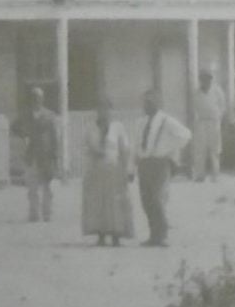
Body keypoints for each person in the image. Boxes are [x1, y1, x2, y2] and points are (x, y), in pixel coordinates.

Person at [136, 89, 191, 247]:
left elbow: (186, 135)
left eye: (150, 102)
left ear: (158, 104)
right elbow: (137, 144)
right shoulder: (141, 122)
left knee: (157, 198)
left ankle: (162, 235)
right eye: (145, 102)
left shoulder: (167, 121)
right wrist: (133, 167)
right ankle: (153, 235)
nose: (146, 105)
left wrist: (169, 149)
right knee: (146, 201)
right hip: (144, 163)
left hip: (160, 163)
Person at [81, 98, 136, 247]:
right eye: (100, 108)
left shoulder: (118, 127)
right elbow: (85, 148)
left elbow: (125, 149)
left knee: (115, 203)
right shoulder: (90, 127)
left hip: (114, 169)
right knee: (98, 202)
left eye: (106, 108)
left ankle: (116, 236)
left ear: (111, 110)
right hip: (96, 170)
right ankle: (101, 235)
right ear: (96, 110)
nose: (103, 111)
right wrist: (93, 154)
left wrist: (128, 169)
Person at [14, 86, 62, 222]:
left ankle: (47, 213)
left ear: (43, 99)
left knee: (48, 187)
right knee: (32, 187)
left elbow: (54, 137)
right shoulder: (26, 115)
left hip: (46, 155)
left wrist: (55, 156)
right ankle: (34, 214)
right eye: (34, 98)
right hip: (31, 154)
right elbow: (14, 127)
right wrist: (24, 135)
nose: (37, 100)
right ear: (31, 99)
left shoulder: (50, 115)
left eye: (39, 98)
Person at [189, 67, 228, 181]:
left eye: (208, 78)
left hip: (214, 122)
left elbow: (222, 106)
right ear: (200, 80)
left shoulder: (217, 91)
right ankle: (200, 175)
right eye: (203, 78)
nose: (206, 81)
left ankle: (215, 175)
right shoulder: (196, 93)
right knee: (200, 150)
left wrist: (218, 117)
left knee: (215, 149)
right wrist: (196, 121)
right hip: (201, 122)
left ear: (211, 79)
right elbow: (194, 108)